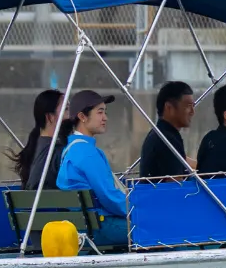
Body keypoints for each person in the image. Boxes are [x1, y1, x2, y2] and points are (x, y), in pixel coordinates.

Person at [52, 91, 129, 249]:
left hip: (82, 227)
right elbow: (109, 197)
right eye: (100, 112)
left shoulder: (70, 149)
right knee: (160, 228)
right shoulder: (87, 152)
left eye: (105, 112)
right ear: (82, 117)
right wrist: (139, 211)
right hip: (101, 228)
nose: (105, 118)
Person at [137, 80, 196, 178]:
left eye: (193, 106)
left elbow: (183, 160)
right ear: (169, 107)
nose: (192, 112)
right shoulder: (166, 140)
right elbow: (176, 183)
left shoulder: (161, 133)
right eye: (188, 106)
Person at [12, 88, 68, 189]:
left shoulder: (37, 146)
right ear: (50, 117)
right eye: (66, 109)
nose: (71, 115)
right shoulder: (55, 152)